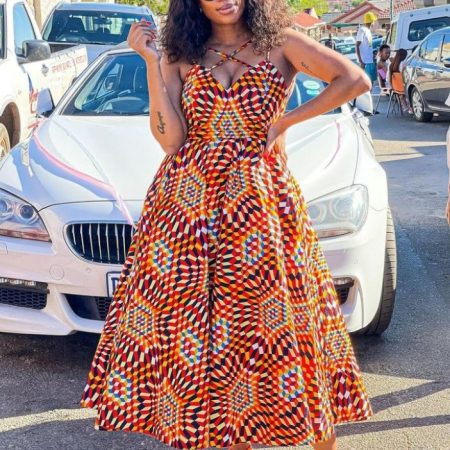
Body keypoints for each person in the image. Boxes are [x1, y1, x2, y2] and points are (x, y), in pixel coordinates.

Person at [79, 1, 373, 449]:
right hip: (188, 211)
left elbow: (354, 79)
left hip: (263, 206)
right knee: (202, 332)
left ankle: (312, 427)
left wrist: (285, 121)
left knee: (282, 318)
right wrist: (152, 64)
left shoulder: (281, 43)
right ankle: (229, 433)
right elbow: (171, 140)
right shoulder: (178, 54)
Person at [356, 12, 378, 85]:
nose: (374, 22)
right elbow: (357, 45)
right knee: (366, 83)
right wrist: (360, 61)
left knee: (371, 82)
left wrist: (373, 54)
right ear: (371, 21)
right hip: (365, 62)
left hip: (370, 61)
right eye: (374, 21)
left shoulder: (368, 31)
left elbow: (367, 46)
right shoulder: (362, 30)